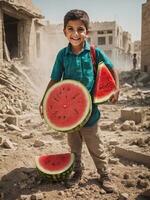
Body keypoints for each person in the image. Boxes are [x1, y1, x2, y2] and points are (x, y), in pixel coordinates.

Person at [39, 9, 120, 193]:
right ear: (65, 32)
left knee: (96, 146)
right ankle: (77, 171)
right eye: (71, 29)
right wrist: (45, 99)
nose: (75, 34)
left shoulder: (94, 52)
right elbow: (54, 79)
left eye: (80, 29)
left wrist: (116, 87)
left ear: (87, 32)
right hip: (69, 116)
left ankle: (104, 173)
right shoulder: (62, 55)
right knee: (74, 148)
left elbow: (111, 68)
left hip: (91, 113)